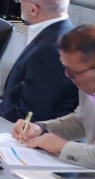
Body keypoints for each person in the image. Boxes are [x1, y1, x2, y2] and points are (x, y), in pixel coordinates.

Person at [12, 25, 95, 168]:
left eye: (72, 71)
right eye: (65, 68)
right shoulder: (87, 84)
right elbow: (81, 120)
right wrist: (41, 129)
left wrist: (62, 146)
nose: (67, 75)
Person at [0, 0, 78, 124]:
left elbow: (32, 113)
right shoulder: (61, 32)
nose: (18, 3)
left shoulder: (50, 51)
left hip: (20, 130)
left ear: (33, 9)